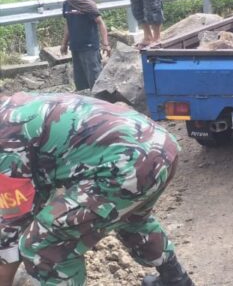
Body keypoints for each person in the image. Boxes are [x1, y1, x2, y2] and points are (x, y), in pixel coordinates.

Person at [0, 93, 193, 286]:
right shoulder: (18, 106)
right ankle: (175, 278)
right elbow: (36, 194)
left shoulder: (5, 138)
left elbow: (13, 225)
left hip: (127, 165)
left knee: (40, 244)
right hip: (160, 147)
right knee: (131, 218)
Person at [60, 0, 111, 91]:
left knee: (94, 76)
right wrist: (64, 44)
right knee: (80, 80)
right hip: (75, 46)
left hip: (89, 46)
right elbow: (68, 24)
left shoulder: (87, 4)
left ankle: (101, 102)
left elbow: (100, 23)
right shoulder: (66, 4)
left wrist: (105, 44)